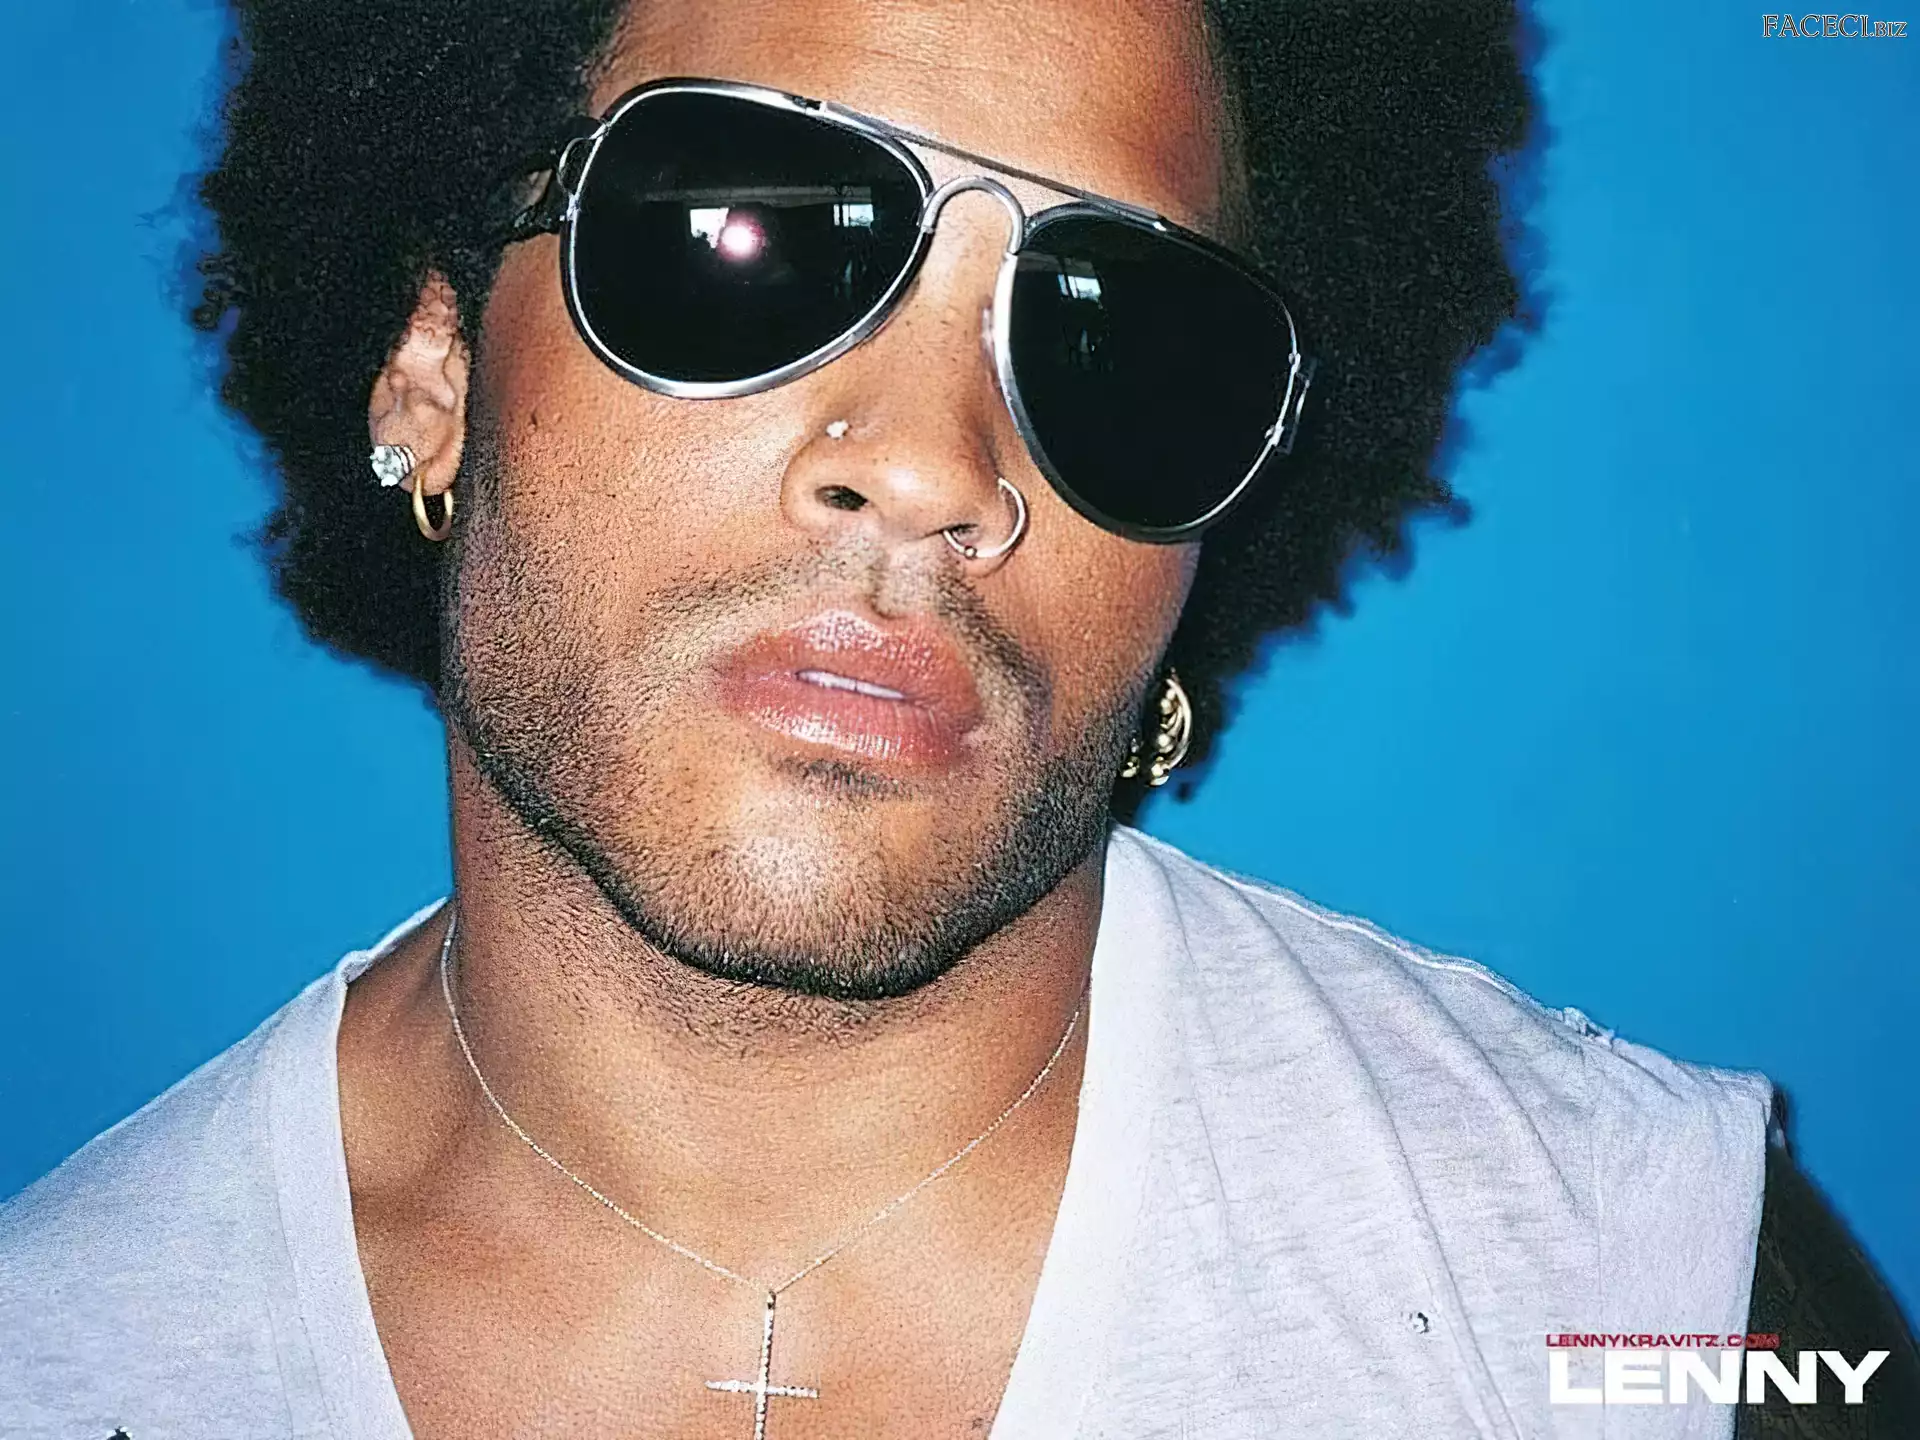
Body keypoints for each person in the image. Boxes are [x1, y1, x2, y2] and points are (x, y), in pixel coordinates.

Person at [2, 1, 1913, 1436]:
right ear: (431, 370)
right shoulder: (65, 1363)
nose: (932, 467)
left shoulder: (1646, 1296)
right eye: (745, 231)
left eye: (1115, 336)